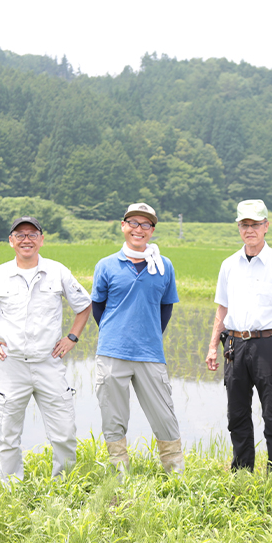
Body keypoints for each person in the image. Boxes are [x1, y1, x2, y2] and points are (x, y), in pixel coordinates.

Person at [0, 216, 92, 483]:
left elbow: (84, 304)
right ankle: (12, 489)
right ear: (11, 241)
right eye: (20, 235)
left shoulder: (57, 272)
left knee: (64, 432)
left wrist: (72, 337)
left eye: (32, 234)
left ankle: (64, 486)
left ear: (41, 240)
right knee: (8, 435)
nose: (26, 240)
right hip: (11, 365)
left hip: (49, 363)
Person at [206, 199, 272, 471]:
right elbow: (222, 308)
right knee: (236, 413)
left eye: (255, 224)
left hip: (268, 345)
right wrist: (213, 347)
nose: (249, 230)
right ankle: (242, 470)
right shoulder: (229, 265)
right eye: (244, 225)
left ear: (266, 226)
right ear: (239, 228)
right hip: (235, 344)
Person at [92, 202, 183, 476]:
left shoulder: (164, 266)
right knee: (113, 418)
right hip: (112, 353)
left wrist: (147, 334)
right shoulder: (106, 265)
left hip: (150, 353)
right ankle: (120, 477)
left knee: (165, 416)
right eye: (133, 223)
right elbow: (98, 308)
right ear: (123, 226)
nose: (138, 229)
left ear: (152, 230)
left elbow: (165, 308)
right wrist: (117, 332)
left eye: (145, 224)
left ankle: (175, 476)